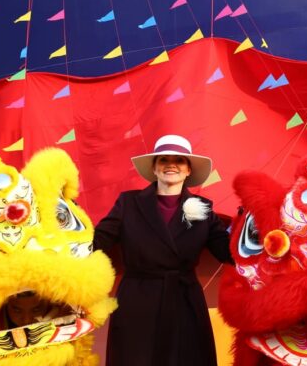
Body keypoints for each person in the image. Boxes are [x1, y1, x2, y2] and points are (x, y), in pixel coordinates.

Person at [93, 134, 233, 366]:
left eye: (179, 160)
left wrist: (255, 229)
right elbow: (98, 241)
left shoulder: (204, 208)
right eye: (163, 160)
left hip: (184, 303)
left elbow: (228, 251)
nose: (171, 165)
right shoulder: (128, 203)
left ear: (188, 170)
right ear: (154, 168)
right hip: (137, 302)